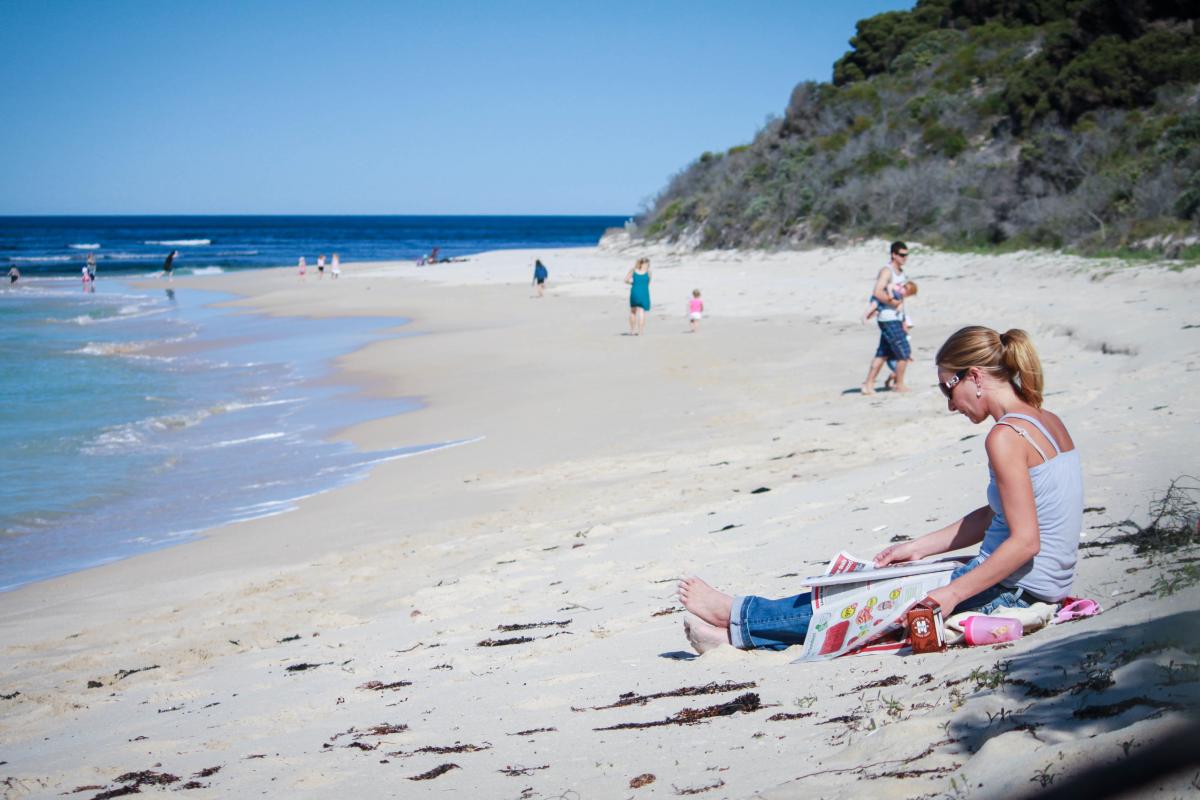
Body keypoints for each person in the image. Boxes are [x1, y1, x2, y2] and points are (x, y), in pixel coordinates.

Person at [679, 326, 1082, 654]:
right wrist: (922, 547)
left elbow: (1025, 541)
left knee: (868, 602)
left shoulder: (1005, 436)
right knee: (880, 585)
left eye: (948, 388)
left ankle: (739, 615)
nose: (949, 404)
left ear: (975, 376)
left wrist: (952, 594)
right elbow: (1003, 513)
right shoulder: (1046, 421)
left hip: (1012, 591)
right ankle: (734, 634)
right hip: (1036, 586)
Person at [862, 242, 912, 395]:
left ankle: (868, 385)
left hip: (896, 317)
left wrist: (903, 319)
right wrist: (893, 302)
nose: (905, 258)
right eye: (902, 255)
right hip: (887, 318)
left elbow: (902, 298)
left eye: (906, 255)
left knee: (883, 353)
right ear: (894, 255)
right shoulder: (886, 271)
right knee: (904, 351)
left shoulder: (901, 273)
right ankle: (899, 384)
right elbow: (877, 292)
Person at [625, 257, 651, 335]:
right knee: (642, 311)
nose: (648, 265)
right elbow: (648, 283)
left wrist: (633, 283)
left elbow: (626, 280)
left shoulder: (633, 271)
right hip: (644, 293)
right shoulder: (649, 272)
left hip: (635, 291)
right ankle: (640, 332)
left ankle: (632, 331)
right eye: (647, 264)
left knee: (633, 311)